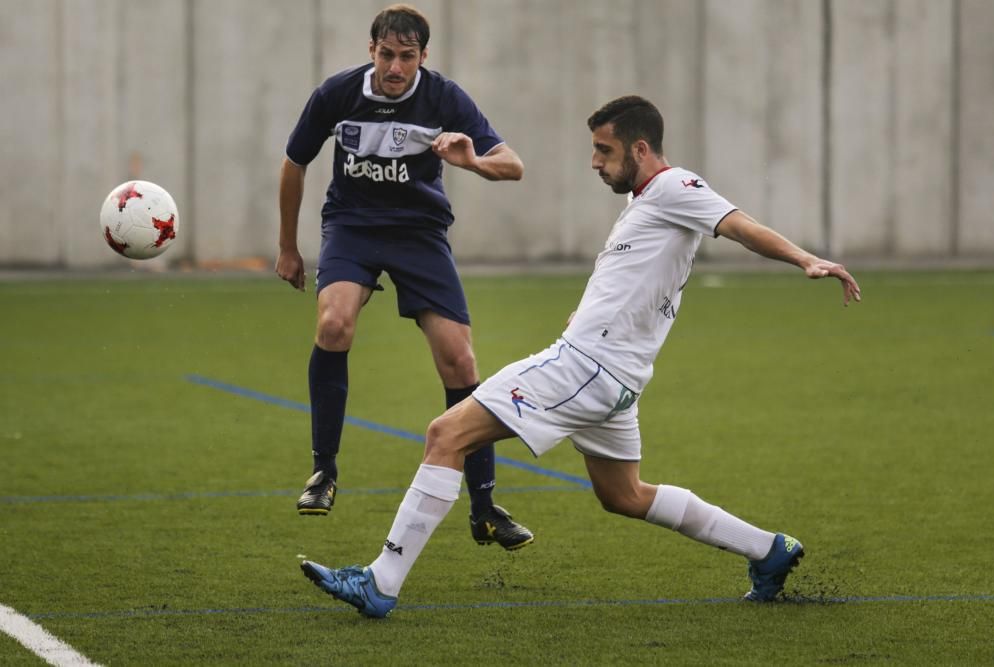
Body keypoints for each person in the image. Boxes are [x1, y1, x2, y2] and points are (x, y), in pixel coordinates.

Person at [300, 95, 863, 618]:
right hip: (616, 377)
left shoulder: (675, 186)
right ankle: (768, 550)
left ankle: (381, 582)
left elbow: (739, 225)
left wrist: (806, 260)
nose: (594, 162)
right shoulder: (645, 203)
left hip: (586, 367)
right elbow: (636, 279)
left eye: (604, 150)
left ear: (640, 150)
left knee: (446, 434)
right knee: (624, 494)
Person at [275, 4, 533, 550]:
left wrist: (470, 161)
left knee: (460, 361)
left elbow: (513, 165)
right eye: (387, 55)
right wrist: (287, 247)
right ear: (371, 51)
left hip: (419, 234)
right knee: (333, 325)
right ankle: (324, 472)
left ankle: (484, 508)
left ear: (423, 57)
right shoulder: (336, 95)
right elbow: (293, 162)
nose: (396, 67)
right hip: (353, 227)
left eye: (407, 57)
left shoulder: (442, 97)